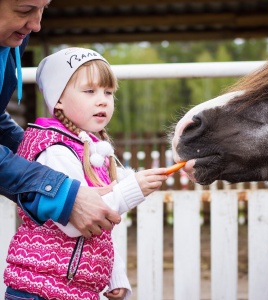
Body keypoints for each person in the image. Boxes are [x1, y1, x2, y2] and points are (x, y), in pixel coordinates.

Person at [4, 47, 168, 299]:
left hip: (71, 289)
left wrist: (115, 276)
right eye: (89, 91)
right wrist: (131, 189)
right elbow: (75, 222)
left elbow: (100, 230)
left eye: (108, 92)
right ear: (58, 99)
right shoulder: (56, 150)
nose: (102, 99)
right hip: (41, 290)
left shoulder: (87, 147)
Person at [0, 0, 122, 238]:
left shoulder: (13, 36)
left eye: (43, 9)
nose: (36, 25)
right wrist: (58, 190)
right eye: (24, 10)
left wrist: (35, 150)